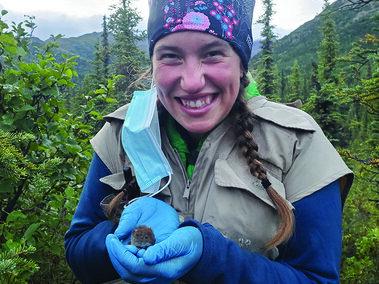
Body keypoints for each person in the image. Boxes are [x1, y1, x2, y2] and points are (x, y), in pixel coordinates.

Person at [64, 0, 353, 283]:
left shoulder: (296, 141)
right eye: (170, 56)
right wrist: (115, 241)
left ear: (241, 64)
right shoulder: (124, 131)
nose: (191, 82)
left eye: (213, 54)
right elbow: (78, 251)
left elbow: (317, 278)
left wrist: (209, 256)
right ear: (152, 64)